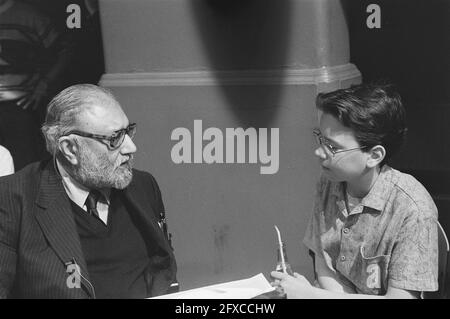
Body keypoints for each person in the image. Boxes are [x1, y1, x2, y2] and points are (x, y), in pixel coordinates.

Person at [0, 84, 177, 298]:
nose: (131, 147)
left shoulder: (143, 185)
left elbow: (163, 270)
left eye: (128, 131)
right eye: (114, 138)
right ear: (70, 149)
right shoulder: (11, 199)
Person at [271, 83, 438, 299]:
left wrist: (312, 296)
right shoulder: (329, 181)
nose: (318, 151)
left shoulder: (412, 208)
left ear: (374, 155)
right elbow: (323, 263)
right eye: (320, 138)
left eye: (332, 146)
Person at [0, 0, 73, 170]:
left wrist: (44, 84)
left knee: (23, 169)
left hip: (19, 105)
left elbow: (65, 51)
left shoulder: (30, 16)